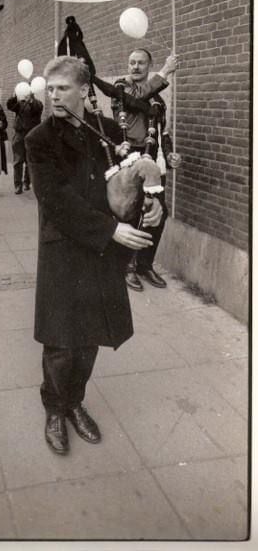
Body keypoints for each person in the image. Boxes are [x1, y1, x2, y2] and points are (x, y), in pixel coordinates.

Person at [25, 56, 163, 455]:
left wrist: (151, 203)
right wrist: (110, 229)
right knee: (61, 340)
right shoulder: (39, 139)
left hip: (103, 253)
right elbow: (55, 202)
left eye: (62, 88)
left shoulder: (104, 130)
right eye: (49, 89)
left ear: (85, 91)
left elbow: (132, 176)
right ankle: (54, 408)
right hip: (66, 249)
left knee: (90, 337)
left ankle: (75, 403)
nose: (53, 96)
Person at [113, 48, 177, 291]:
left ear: (148, 66)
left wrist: (169, 153)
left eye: (141, 63)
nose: (135, 67)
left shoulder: (158, 97)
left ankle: (145, 264)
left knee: (160, 212)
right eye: (132, 62)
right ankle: (127, 265)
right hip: (132, 158)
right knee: (133, 211)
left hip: (154, 159)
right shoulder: (122, 88)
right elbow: (137, 98)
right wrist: (165, 72)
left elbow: (164, 131)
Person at [7, 89, 43, 194]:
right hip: (19, 135)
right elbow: (10, 106)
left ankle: (27, 182)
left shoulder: (37, 104)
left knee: (30, 160)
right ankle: (18, 185)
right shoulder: (20, 104)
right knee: (18, 161)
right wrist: (14, 96)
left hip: (32, 135)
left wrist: (31, 101)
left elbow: (37, 108)